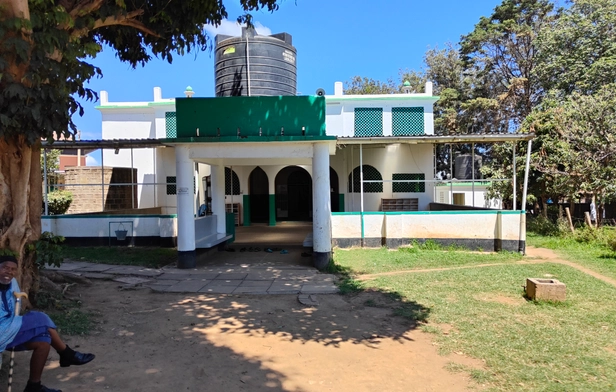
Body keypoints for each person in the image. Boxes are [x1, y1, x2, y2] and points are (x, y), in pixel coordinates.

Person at [0, 255, 95, 392]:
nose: (9, 272)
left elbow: (14, 304)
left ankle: (34, 387)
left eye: (13, 269)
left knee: (43, 340)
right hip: (2, 330)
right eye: (5, 268)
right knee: (41, 319)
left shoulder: (12, 282)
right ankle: (67, 354)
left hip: (10, 326)